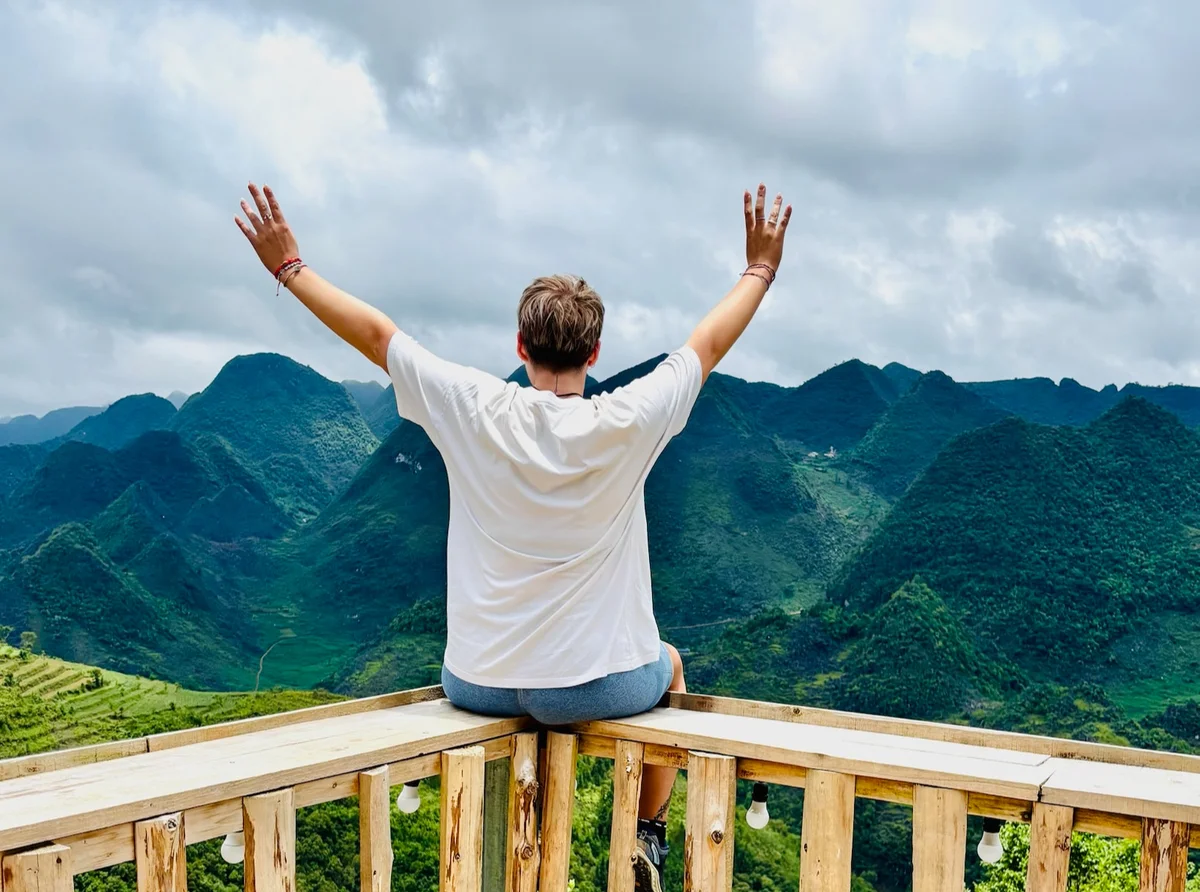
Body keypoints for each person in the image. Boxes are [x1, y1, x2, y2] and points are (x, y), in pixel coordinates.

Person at [235, 181, 791, 891]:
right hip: (596, 687)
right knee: (673, 664)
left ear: (521, 344)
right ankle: (646, 834)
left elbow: (377, 335)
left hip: (479, 681)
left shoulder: (473, 405)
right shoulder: (628, 419)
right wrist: (759, 270)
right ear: (595, 352)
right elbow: (706, 344)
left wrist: (290, 268)